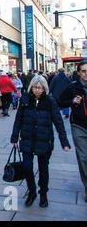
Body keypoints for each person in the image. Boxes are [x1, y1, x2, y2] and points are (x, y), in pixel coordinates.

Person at [11, 76, 71, 207]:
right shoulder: (25, 99)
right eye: (35, 87)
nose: (37, 90)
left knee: (43, 168)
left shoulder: (50, 101)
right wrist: (14, 137)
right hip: (27, 138)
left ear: (44, 88)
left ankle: (43, 192)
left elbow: (58, 122)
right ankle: (32, 191)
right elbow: (18, 119)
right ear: (31, 87)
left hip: (44, 139)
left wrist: (64, 141)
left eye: (40, 87)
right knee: (27, 166)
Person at [58, 60, 87, 202]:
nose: (86, 74)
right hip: (79, 126)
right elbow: (59, 101)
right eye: (83, 71)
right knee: (83, 157)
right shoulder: (73, 87)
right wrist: (72, 101)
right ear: (79, 73)